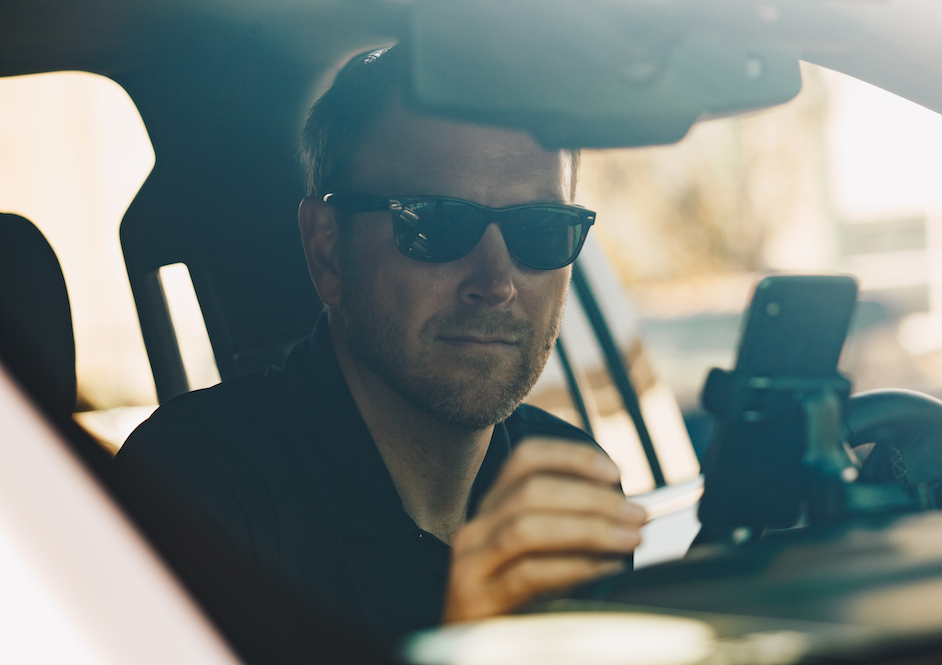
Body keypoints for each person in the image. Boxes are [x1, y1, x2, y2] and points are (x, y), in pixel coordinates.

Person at [114, 46, 646, 640]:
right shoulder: (197, 493)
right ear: (327, 250)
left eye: (544, 230)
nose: (496, 283)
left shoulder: (570, 484)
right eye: (436, 223)